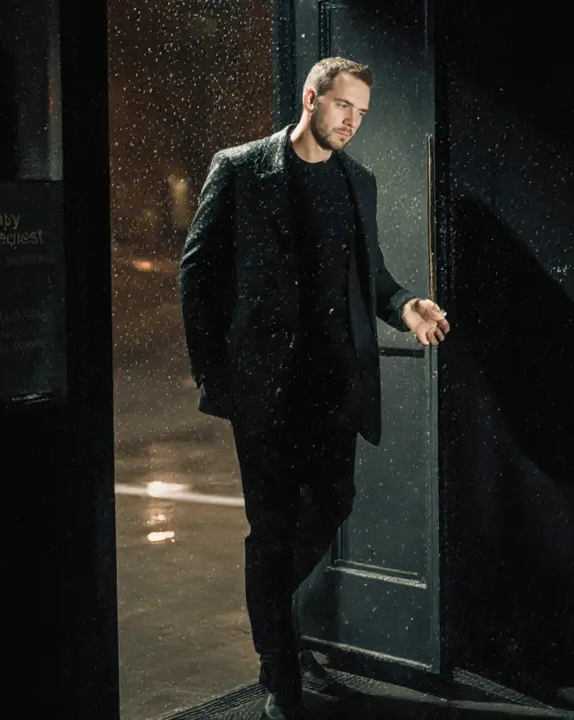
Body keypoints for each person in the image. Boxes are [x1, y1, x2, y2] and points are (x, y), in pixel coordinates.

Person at [178, 56, 451, 718]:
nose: (351, 122)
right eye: (342, 107)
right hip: (265, 394)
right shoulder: (241, 169)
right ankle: (278, 669)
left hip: (336, 387)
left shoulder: (359, 182)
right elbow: (196, 275)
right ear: (311, 97)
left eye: (360, 112)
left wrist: (407, 306)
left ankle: (270, 613)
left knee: (332, 506)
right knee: (270, 531)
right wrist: (220, 380)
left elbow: (376, 277)